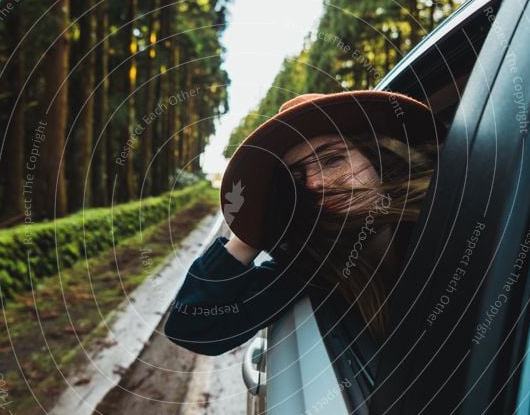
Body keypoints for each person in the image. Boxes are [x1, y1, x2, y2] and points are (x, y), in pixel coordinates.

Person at [163, 90, 444, 356]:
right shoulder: (311, 269)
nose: (313, 183)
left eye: (333, 159)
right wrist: (256, 227)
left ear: (377, 160)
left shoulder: (449, 212)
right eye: (297, 179)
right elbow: (191, 327)